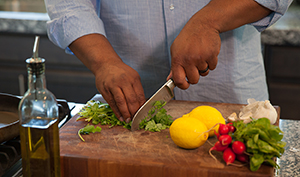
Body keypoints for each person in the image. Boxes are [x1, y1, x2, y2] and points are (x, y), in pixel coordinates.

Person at [44, 0, 292, 123]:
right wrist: (104, 63)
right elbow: (69, 3)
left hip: (237, 105)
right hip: (129, 110)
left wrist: (208, 22)